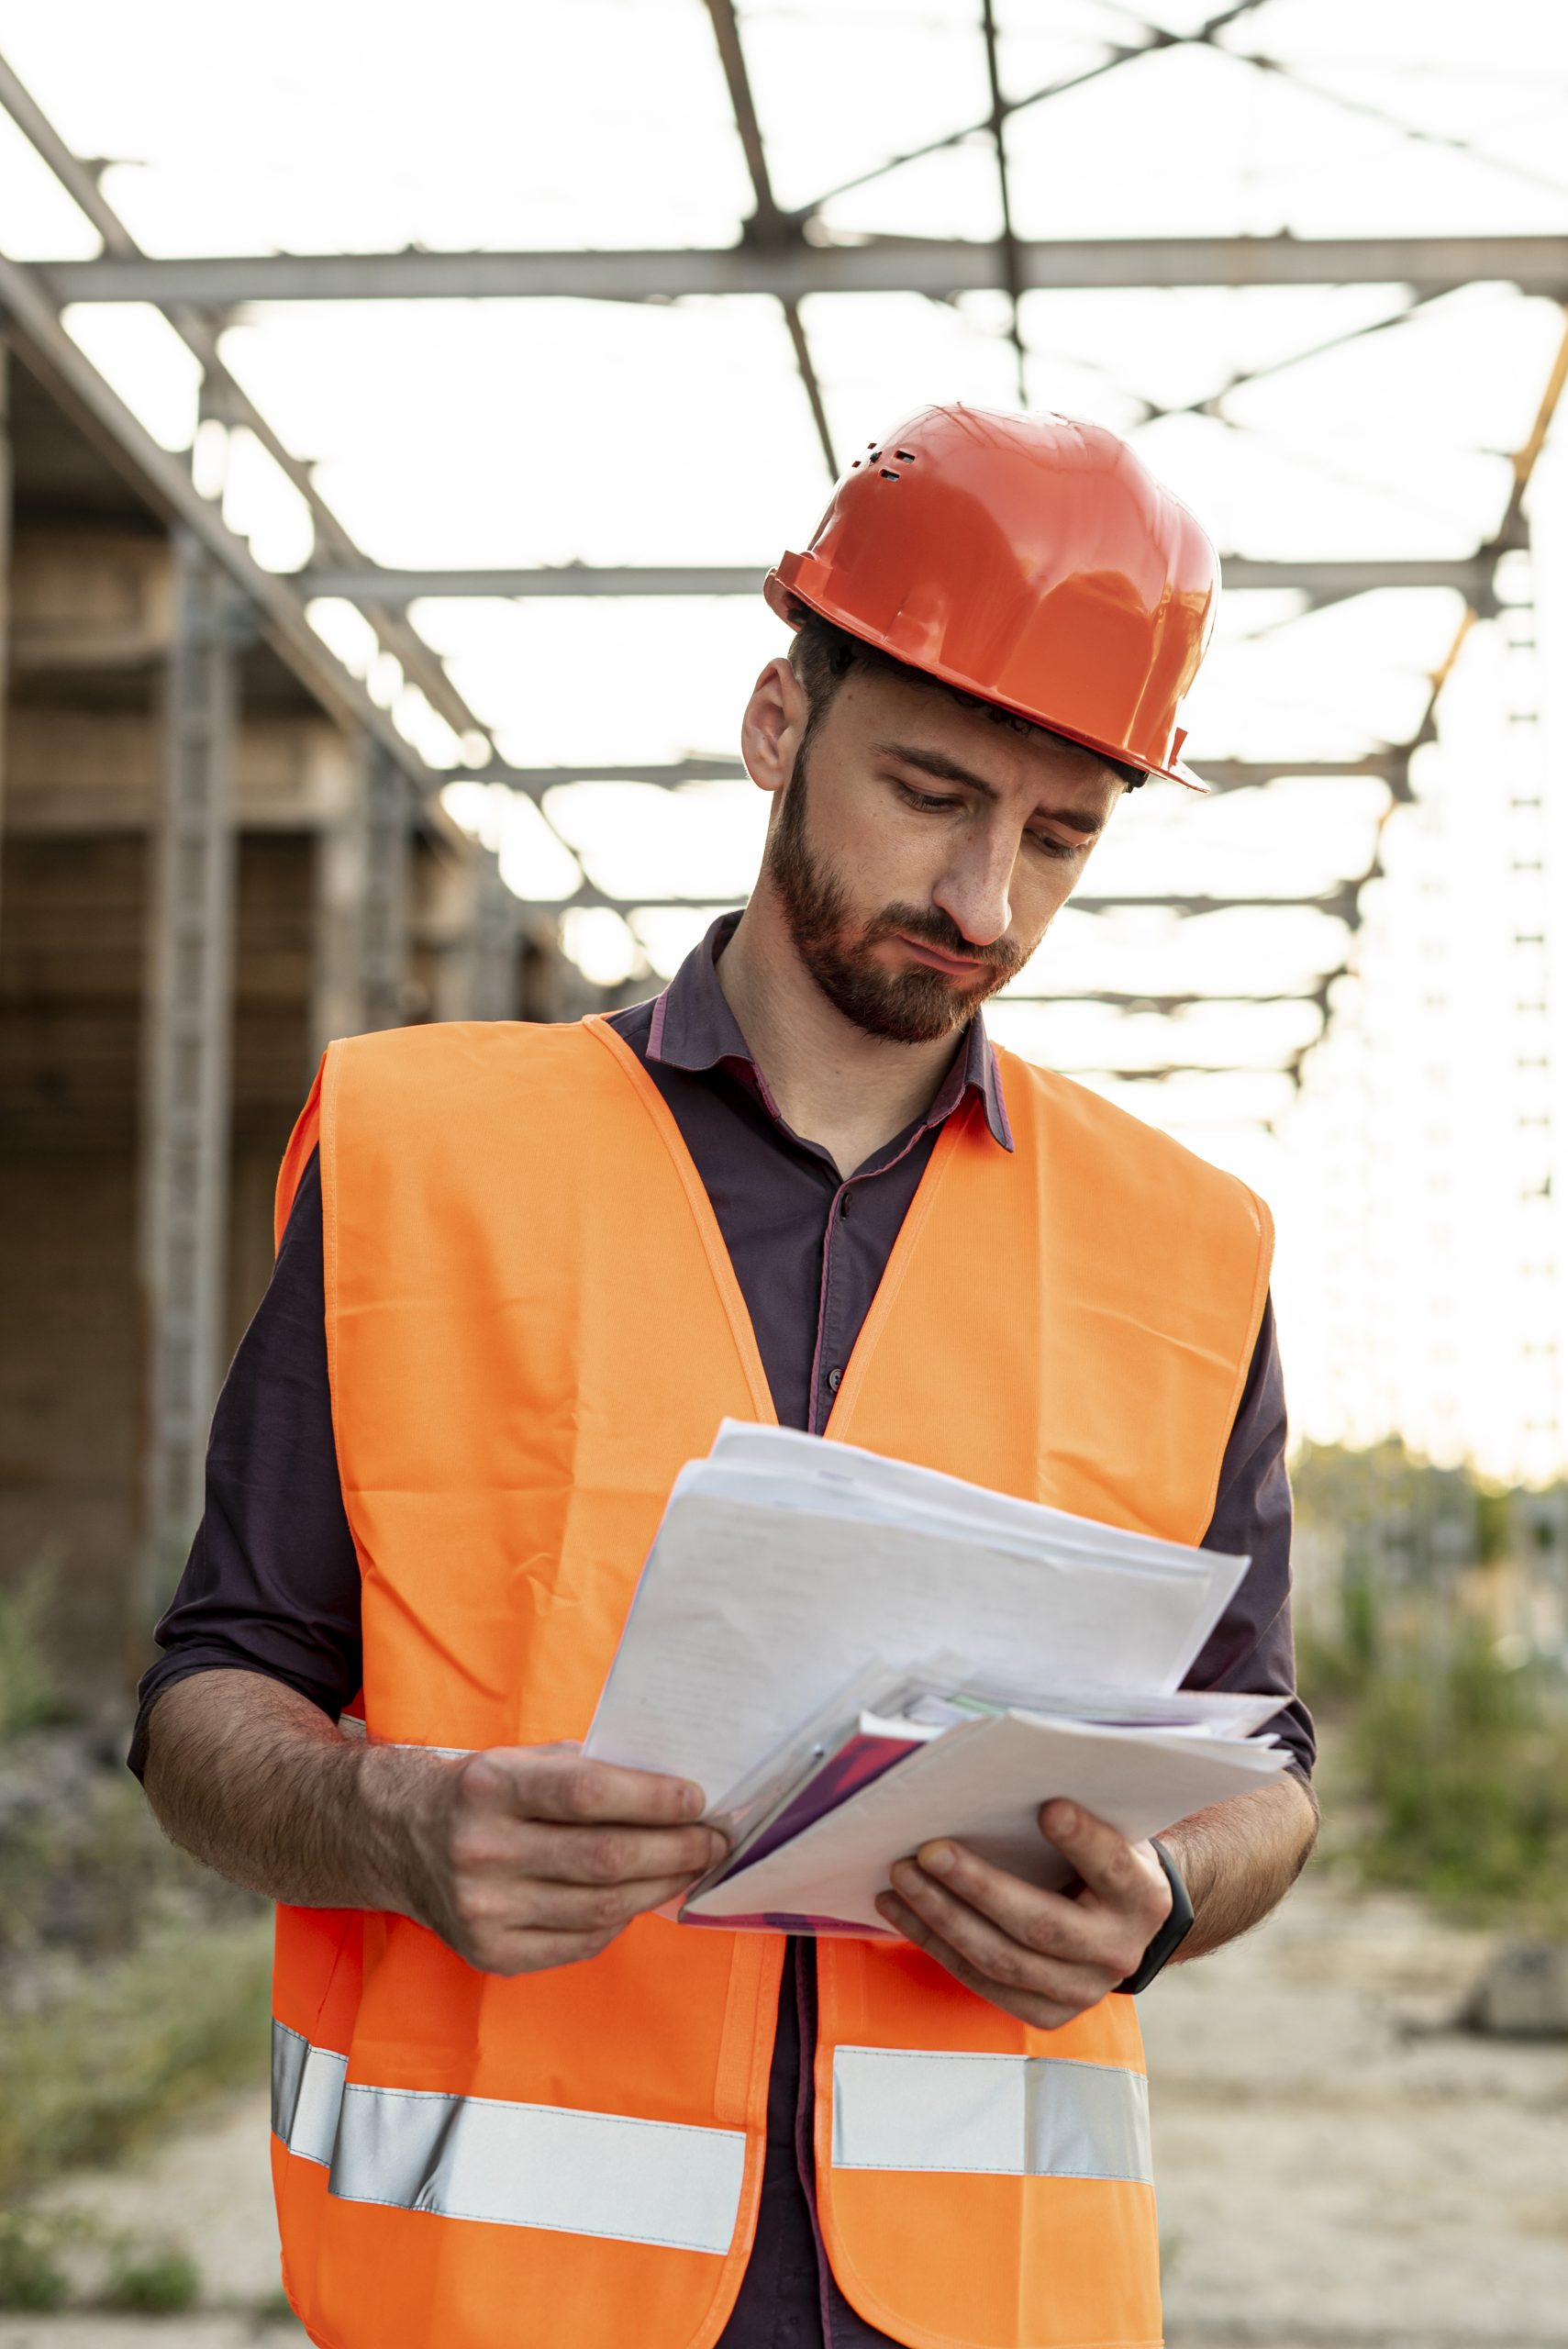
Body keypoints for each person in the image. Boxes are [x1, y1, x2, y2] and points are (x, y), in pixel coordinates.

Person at [134, 405, 1318, 2349]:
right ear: (780, 721)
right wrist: (391, 1821)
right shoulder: (425, 1155)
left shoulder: (1186, 1248)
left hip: (992, 2310)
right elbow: (209, 1700)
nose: (985, 902)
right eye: (931, 794)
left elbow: (1261, 1752)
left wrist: (1167, 1896)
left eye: (1060, 836)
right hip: (506, 2302)